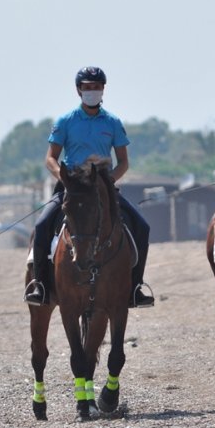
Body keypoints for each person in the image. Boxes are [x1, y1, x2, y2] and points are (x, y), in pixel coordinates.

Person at [24, 66, 154, 309]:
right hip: (72, 187)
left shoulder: (113, 122)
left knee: (142, 227)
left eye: (96, 87)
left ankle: (135, 288)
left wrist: (109, 181)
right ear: (78, 90)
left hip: (103, 187)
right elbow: (50, 158)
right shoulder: (65, 121)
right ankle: (40, 285)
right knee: (42, 226)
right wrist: (65, 180)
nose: (92, 91)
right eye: (87, 87)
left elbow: (124, 162)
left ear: (103, 89)